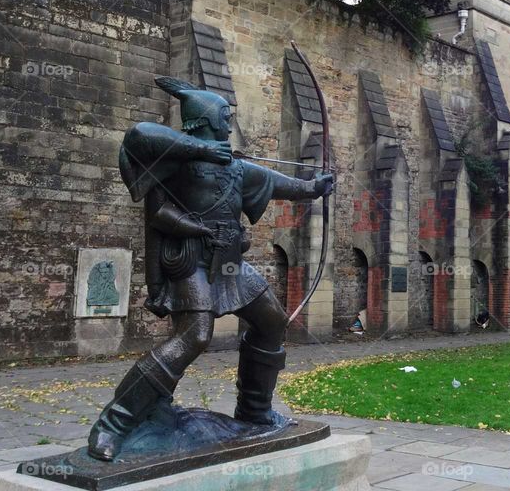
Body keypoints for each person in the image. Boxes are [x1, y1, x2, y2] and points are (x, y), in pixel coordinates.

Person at [86, 77, 334, 461]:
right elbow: (138, 135)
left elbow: (272, 181)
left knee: (271, 321)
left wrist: (313, 187)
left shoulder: (233, 167)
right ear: (204, 120)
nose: (227, 124)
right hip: (190, 260)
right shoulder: (175, 160)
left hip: (229, 262)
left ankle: (254, 412)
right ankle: (114, 424)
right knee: (195, 336)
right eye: (223, 116)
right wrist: (202, 150)